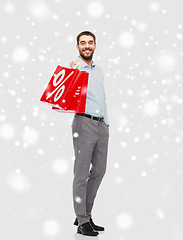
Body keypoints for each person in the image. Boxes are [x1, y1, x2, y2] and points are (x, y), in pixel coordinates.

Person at [70, 31, 109, 236]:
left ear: (95, 45)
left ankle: (85, 214)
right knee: (81, 173)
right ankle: (82, 219)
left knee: (100, 170)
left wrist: (107, 123)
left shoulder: (99, 70)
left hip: (102, 125)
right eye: (82, 43)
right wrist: (70, 71)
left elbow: (101, 98)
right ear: (77, 47)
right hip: (83, 122)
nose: (87, 46)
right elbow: (61, 92)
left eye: (90, 42)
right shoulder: (74, 68)